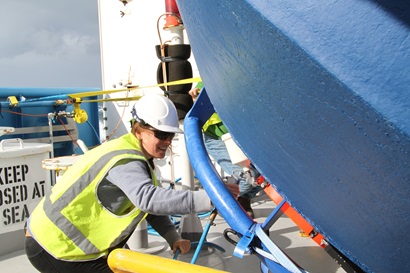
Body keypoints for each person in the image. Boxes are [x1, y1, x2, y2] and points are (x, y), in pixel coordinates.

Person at [24, 94, 239, 273]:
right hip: (55, 246)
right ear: (139, 130)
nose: (167, 142)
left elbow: (149, 209)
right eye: (161, 134)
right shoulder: (126, 160)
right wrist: (212, 198)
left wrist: (172, 237)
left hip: (67, 243)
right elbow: (149, 200)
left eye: (170, 136)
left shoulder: (137, 156)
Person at [189, 83, 263, 218]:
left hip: (240, 136)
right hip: (216, 138)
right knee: (248, 177)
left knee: (265, 174)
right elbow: (197, 95)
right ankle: (223, 202)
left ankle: (243, 199)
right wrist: (195, 97)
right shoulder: (208, 77)